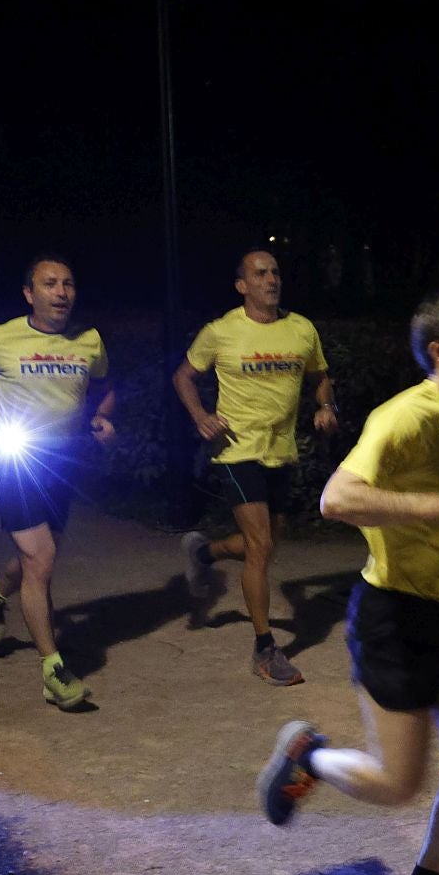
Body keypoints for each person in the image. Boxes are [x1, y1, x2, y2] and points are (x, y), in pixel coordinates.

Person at [256, 290, 439, 875]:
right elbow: (337, 498)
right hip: (394, 616)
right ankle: (308, 755)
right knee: (399, 783)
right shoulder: (404, 418)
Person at [0, 254, 115, 712]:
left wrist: (100, 416)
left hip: (63, 463)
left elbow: (106, 386)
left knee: (35, 557)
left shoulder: (89, 341)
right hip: (15, 461)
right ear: (29, 294)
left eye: (68, 283)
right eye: (49, 284)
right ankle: (53, 670)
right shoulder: (0, 338)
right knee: (42, 558)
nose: (61, 292)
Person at [173, 249, 337, 684]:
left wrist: (325, 406)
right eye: (260, 274)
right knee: (261, 545)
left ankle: (203, 552)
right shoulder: (221, 331)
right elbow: (183, 376)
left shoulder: (301, 329)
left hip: (280, 451)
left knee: (261, 546)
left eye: (276, 272)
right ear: (242, 286)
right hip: (236, 450)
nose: (271, 280)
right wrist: (201, 417)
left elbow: (320, 377)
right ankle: (265, 650)